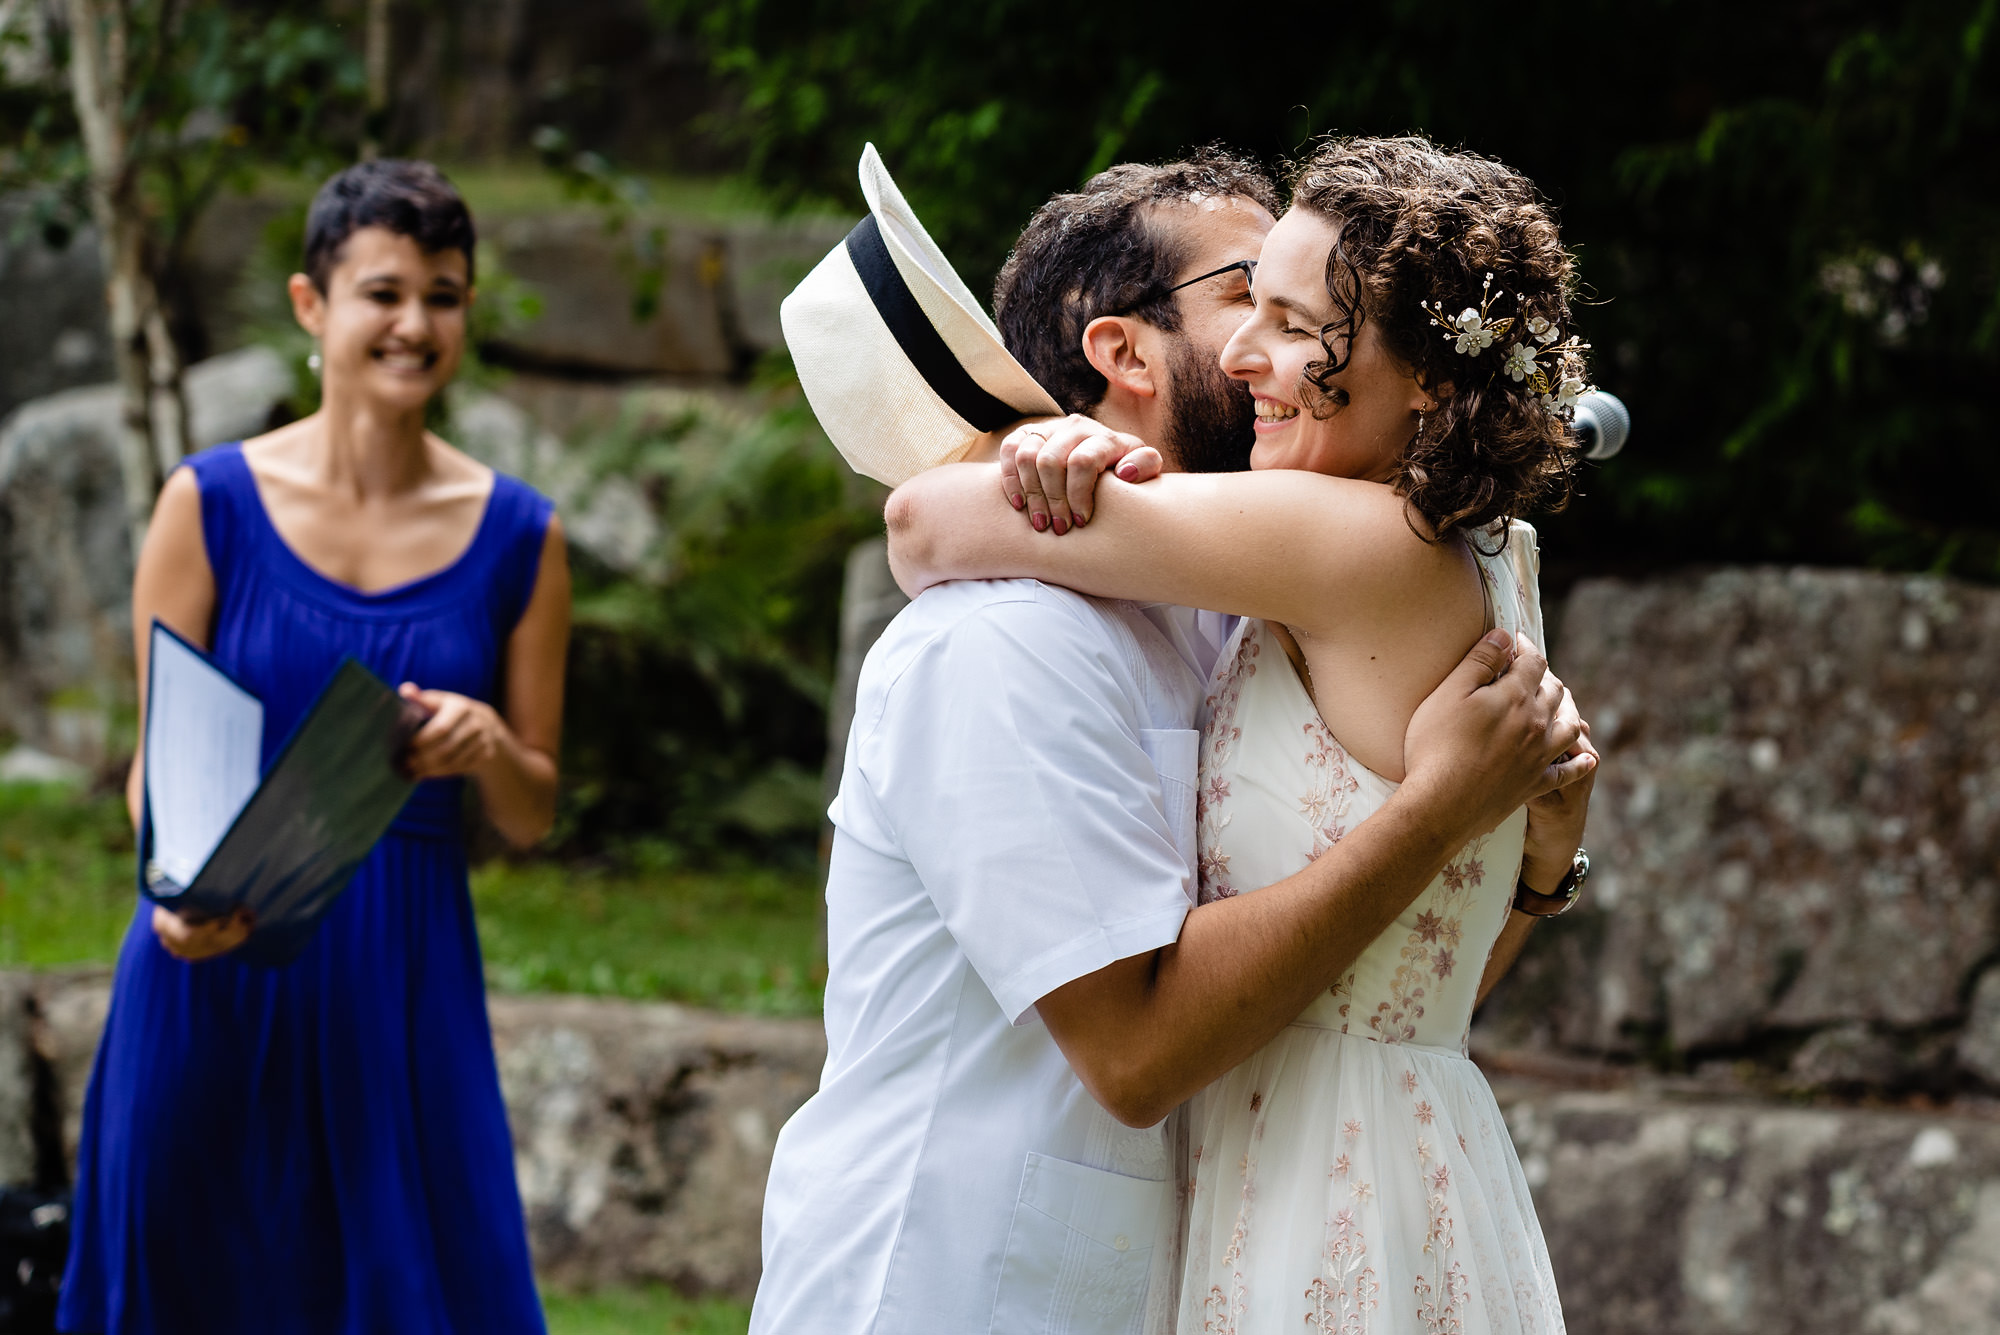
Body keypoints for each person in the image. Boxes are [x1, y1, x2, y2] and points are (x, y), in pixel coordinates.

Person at [754, 145, 1590, 1335]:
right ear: (1122, 351)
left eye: (1288, 315)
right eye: (1242, 292)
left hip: (1279, 1220)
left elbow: (1378, 990)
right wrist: (1483, 838)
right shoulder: (1003, 640)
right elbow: (1159, 1043)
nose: (1254, 344)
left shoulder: (1284, 592)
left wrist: (1522, 860)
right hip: (954, 1277)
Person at [59, 159, 566, 1335]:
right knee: (190, 1276)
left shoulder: (520, 539)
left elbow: (533, 809)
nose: (413, 323)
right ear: (310, 306)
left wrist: (489, 745)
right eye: (381, 292)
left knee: (410, 1288)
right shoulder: (208, 505)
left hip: (403, 970)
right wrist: (173, 887)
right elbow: (154, 759)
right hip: (214, 954)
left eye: (443, 294)